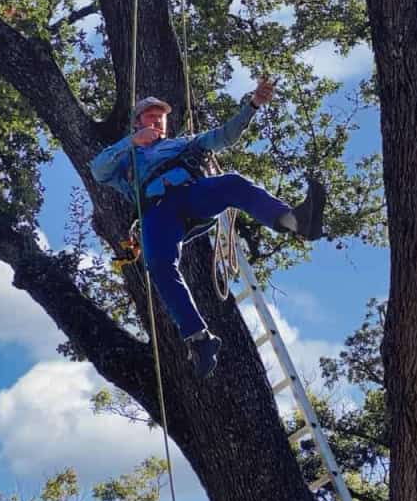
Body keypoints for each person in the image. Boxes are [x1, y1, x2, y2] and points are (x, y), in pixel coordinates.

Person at [90, 77, 325, 378]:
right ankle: (199, 339)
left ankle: (293, 221)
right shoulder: (124, 159)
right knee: (159, 265)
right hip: (156, 210)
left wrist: (252, 105)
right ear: (138, 123)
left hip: (190, 194)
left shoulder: (183, 144)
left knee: (232, 183)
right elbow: (98, 170)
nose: (157, 122)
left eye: (161, 118)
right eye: (151, 117)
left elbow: (224, 136)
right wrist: (131, 143)